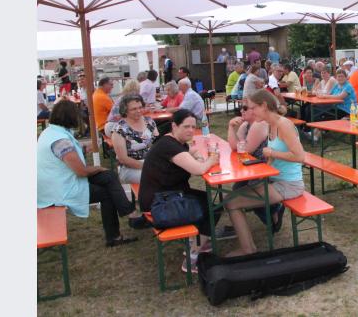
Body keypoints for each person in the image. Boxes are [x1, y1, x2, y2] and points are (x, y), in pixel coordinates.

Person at [38, 100, 144, 247]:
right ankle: (118, 231)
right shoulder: (60, 140)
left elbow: (66, 158)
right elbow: (81, 171)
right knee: (107, 192)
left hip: (59, 181)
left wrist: (82, 150)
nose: (79, 118)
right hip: (59, 189)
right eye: (77, 114)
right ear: (70, 117)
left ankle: (129, 214)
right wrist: (98, 168)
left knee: (110, 177)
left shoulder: (50, 132)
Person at [224, 90, 306, 257]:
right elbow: (272, 154)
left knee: (232, 203)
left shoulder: (284, 124)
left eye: (253, 108)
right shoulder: (270, 124)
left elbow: (300, 157)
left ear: (264, 105)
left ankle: (248, 249)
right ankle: (250, 244)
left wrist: (272, 154)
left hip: (289, 185)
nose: (251, 111)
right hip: (274, 181)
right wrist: (265, 170)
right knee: (230, 199)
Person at [139, 109, 220, 272]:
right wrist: (210, 160)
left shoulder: (175, 142)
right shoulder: (169, 146)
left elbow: (193, 152)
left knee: (207, 201)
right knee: (214, 209)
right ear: (174, 126)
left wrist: (197, 157)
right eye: (186, 127)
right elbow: (198, 170)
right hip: (159, 202)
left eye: (193, 127)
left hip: (167, 194)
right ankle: (191, 259)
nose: (190, 130)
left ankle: (198, 241)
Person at [111, 95, 159, 185]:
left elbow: (157, 143)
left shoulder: (149, 121)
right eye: (134, 109)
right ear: (125, 111)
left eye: (140, 107)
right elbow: (123, 159)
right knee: (154, 177)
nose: (138, 111)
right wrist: (147, 166)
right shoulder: (119, 129)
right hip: (129, 168)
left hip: (150, 162)